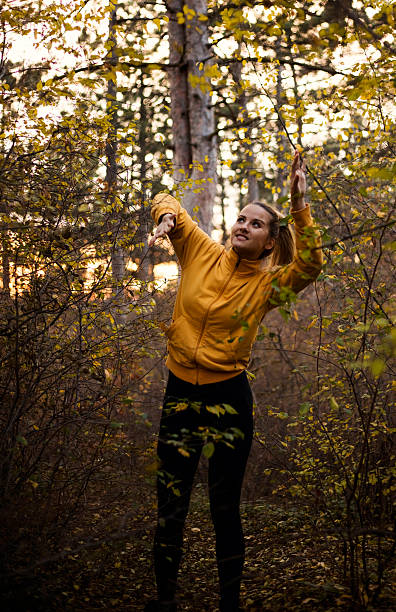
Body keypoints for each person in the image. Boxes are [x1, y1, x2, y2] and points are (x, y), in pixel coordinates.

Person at [145, 151, 323, 612]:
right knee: (171, 504)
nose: (243, 225)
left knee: (224, 507)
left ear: (268, 244)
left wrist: (299, 204)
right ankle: (165, 600)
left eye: (256, 224)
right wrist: (166, 218)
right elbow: (168, 197)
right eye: (241, 218)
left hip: (229, 397)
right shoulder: (199, 251)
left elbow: (310, 266)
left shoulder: (269, 285)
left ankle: (229, 603)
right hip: (180, 392)